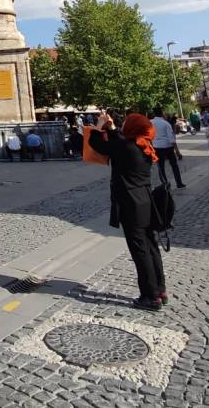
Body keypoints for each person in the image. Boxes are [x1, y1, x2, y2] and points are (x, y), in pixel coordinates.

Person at [88, 111, 167, 311]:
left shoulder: (126, 147)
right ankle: (160, 290)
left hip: (131, 204)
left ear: (132, 128)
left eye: (126, 124)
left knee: (140, 251)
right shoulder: (143, 145)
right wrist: (112, 129)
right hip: (146, 202)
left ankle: (150, 297)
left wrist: (98, 126)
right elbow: (122, 144)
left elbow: (97, 145)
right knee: (150, 247)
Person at [151, 107, 185, 188]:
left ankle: (165, 184)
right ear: (162, 113)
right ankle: (179, 183)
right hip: (168, 146)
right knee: (174, 165)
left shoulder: (150, 123)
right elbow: (172, 139)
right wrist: (177, 151)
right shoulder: (165, 123)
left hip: (157, 147)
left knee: (161, 166)